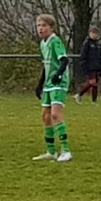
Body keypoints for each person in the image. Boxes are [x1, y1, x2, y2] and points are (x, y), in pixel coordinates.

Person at [33, 14, 73, 162]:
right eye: (38, 25)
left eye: (44, 25)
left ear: (51, 28)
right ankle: (51, 151)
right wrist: (40, 84)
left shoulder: (55, 41)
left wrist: (58, 75)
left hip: (59, 83)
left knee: (55, 114)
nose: (40, 28)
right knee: (45, 116)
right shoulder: (43, 44)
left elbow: (64, 60)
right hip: (49, 84)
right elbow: (46, 66)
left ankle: (66, 150)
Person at [76, 26, 101, 104]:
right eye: (93, 33)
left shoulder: (97, 44)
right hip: (90, 66)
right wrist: (84, 66)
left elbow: (99, 56)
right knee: (92, 82)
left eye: (96, 33)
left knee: (95, 83)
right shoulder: (87, 43)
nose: (94, 35)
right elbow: (83, 55)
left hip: (96, 66)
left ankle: (94, 101)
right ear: (90, 33)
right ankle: (79, 95)